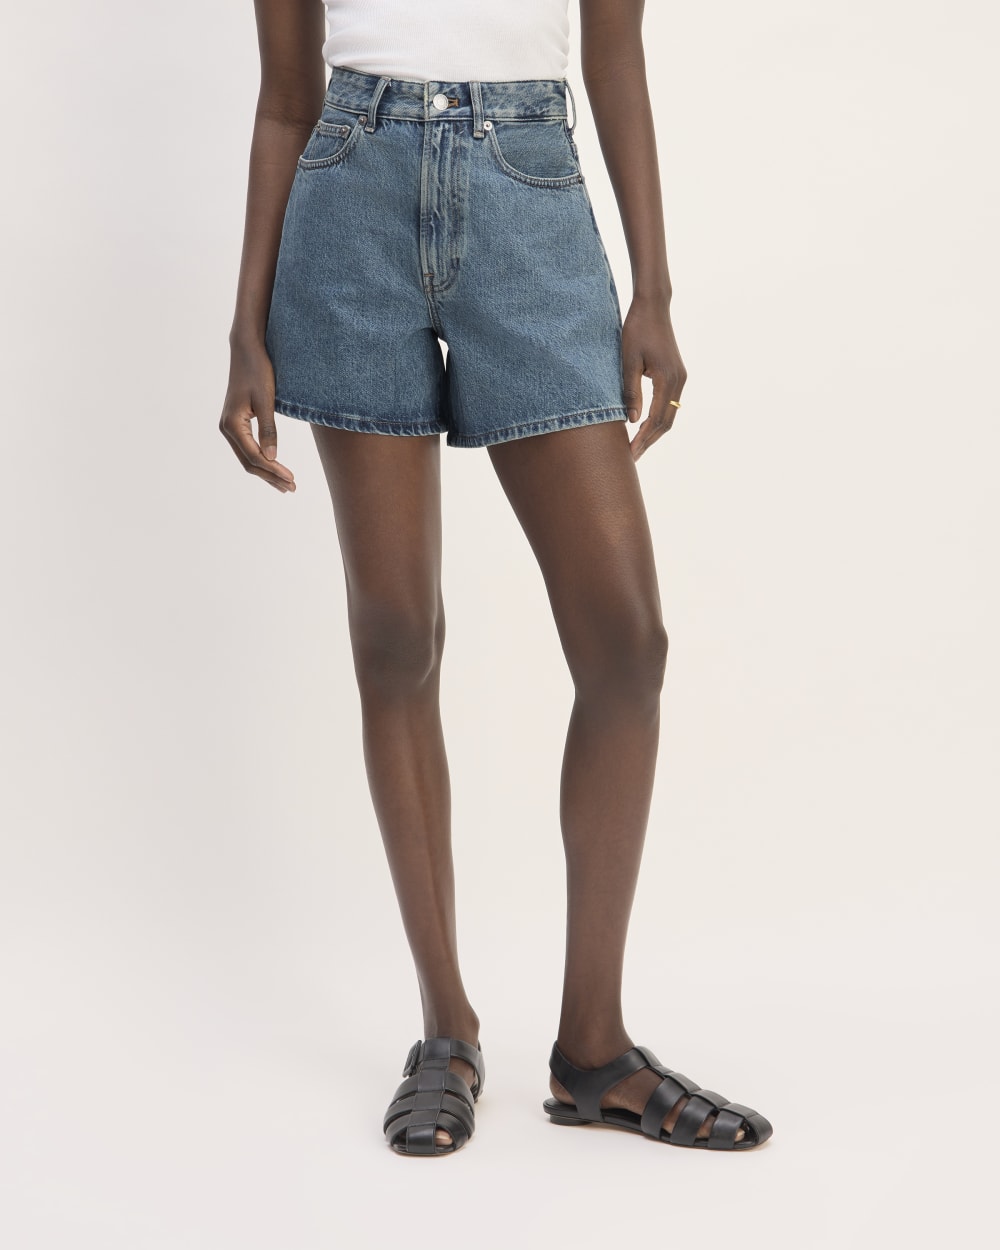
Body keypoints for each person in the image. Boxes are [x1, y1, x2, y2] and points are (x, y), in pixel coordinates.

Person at [219, 0, 773, 1157]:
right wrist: (243, 331)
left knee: (626, 644)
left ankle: (594, 1051)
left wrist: (653, 291)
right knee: (394, 635)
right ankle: (446, 1028)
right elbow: (284, 101)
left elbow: (615, 56)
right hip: (349, 200)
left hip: (531, 196)